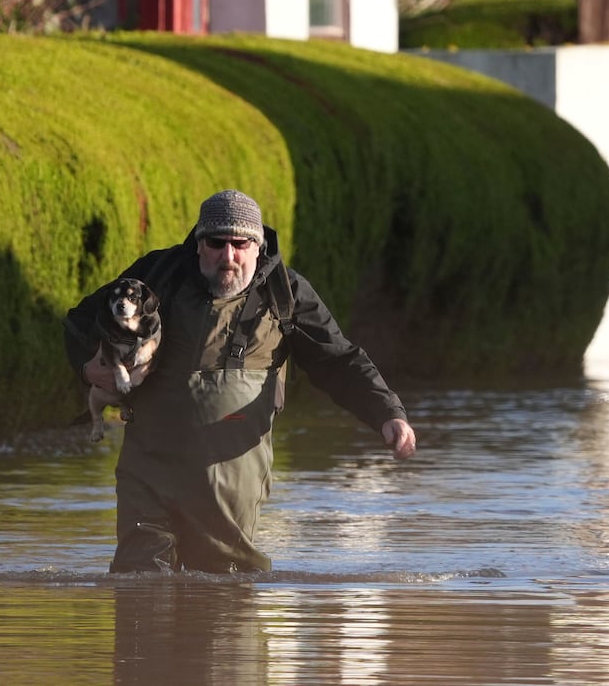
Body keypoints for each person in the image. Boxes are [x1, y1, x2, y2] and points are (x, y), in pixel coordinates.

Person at [64, 188, 416, 573]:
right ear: (199, 243)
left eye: (240, 244)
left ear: (258, 246)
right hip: (149, 471)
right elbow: (81, 322)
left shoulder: (287, 293)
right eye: (216, 243)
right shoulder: (158, 275)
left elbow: (339, 361)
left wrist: (388, 413)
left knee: (223, 606)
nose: (228, 256)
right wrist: (89, 367)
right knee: (139, 587)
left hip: (232, 486)